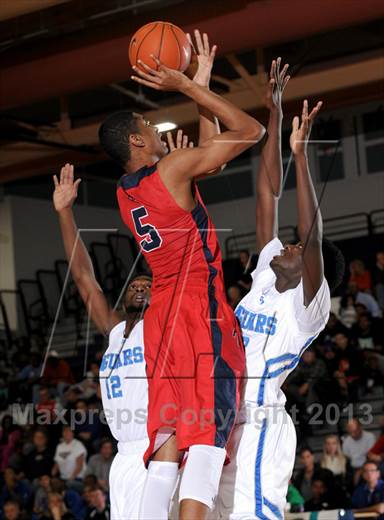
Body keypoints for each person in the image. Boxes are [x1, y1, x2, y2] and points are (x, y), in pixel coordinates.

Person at [104, 30, 265, 520]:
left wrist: (202, 84)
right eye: (148, 125)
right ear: (136, 139)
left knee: (168, 441)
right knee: (208, 439)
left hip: (161, 322)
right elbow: (251, 131)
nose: (155, 128)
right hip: (199, 310)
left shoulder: (126, 191)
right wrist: (188, 88)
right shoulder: (170, 170)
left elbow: (204, 163)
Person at [211, 59, 345, 518]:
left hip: (262, 422)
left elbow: (312, 236)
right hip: (225, 414)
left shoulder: (307, 309)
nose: (286, 244)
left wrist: (301, 155)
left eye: (295, 247)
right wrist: (274, 114)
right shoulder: (267, 273)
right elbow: (268, 196)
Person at [53, 163, 151, 519]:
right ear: (123, 295)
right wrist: (65, 212)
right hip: (123, 455)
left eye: (148, 287)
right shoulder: (114, 330)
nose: (140, 289)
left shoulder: (158, 329)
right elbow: (82, 275)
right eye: (135, 286)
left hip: (154, 449)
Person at [52, 426, 87, 490]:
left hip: (77, 478)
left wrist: (71, 478)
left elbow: (80, 466)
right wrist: (51, 476)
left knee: (68, 485)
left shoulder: (78, 445)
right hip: (63, 478)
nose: (67, 433)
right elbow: (56, 464)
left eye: (69, 431)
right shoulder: (59, 446)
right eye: (65, 431)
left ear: (73, 433)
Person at [342, 418, 376, 483]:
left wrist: (361, 470)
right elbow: (347, 458)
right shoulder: (346, 441)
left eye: (354, 431)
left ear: (360, 427)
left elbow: (371, 456)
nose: (352, 434)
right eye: (350, 432)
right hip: (352, 468)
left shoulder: (370, 437)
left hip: (367, 465)